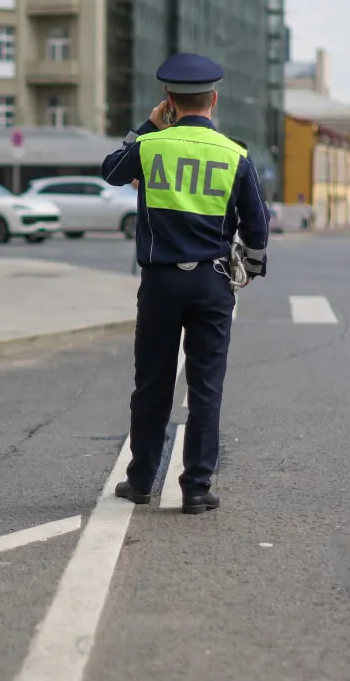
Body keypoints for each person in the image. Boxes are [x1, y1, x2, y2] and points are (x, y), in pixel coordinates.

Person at [100, 53, 270, 514]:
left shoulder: (150, 145)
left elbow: (111, 171)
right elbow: (257, 222)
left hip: (160, 283)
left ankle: (140, 481)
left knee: (151, 384)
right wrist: (252, 267)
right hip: (212, 282)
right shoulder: (235, 154)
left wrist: (148, 126)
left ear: (169, 102)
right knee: (205, 387)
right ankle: (196, 488)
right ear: (214, 100)